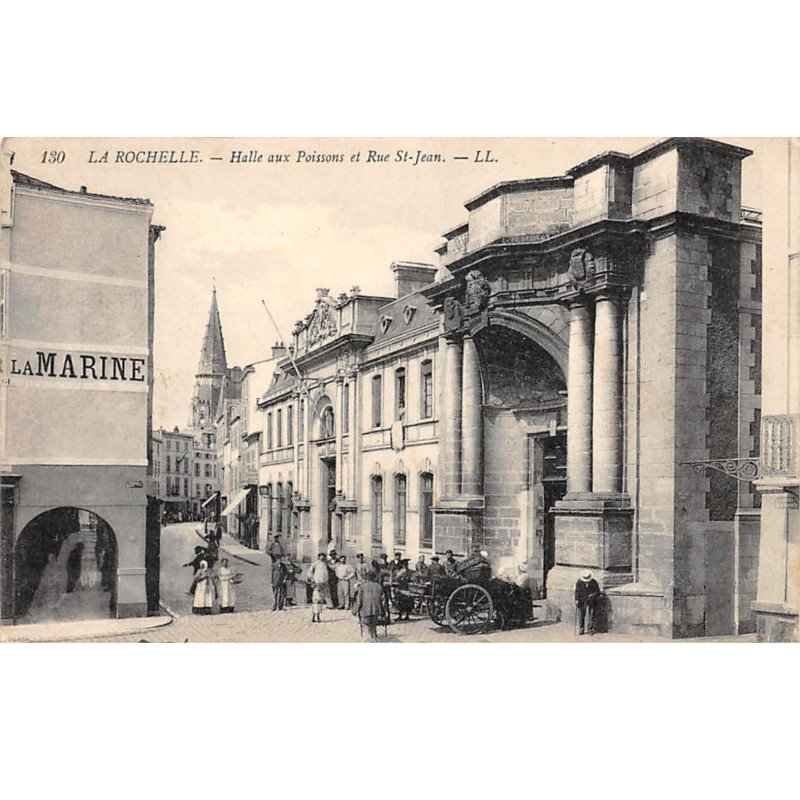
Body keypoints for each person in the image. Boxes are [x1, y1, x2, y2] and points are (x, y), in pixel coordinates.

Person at [352, 571, 387, 642]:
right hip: (376, 610)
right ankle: (374, 635)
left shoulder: (362, 587)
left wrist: (354, 611)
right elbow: (383, 600)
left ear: (366, 578)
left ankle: (371, 637)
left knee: (367, 623)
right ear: (374, 578)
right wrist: (383, 611)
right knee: (373, 622)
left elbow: (359, 601)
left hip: (365, 611)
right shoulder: (378, 586)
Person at [575, 570, 601, 636]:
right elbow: (577, 591)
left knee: (591, 614)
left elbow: (598, 592)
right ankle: (581, 628)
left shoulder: (594, 582)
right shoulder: (579, 582)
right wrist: (576, 599)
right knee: (581, 614)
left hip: (591, 600)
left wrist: (592, 595)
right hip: (582, 600)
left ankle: (590, 629)